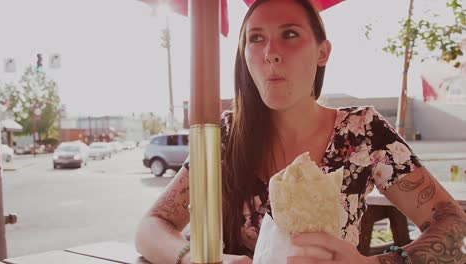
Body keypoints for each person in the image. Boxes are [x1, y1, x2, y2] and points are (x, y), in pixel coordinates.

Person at [135, 0, 466, 263]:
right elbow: (152, 226)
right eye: (256, 38)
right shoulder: (224, 137)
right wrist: (192, 257)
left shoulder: (363, 132)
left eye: (290, 34)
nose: (271, 53)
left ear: (323, 52)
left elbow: (450, 219)